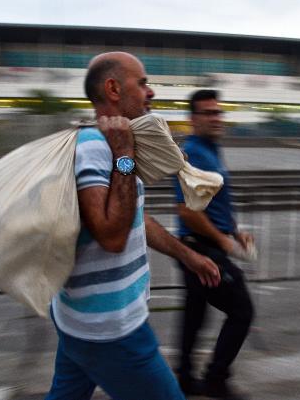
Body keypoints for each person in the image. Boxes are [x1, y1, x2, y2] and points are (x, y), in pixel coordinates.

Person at [45, 52, 221, 400]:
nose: (150, 91)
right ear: (113, 88)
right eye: (141, 83)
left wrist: (187, 255)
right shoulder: (96, 148)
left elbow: (134, 218)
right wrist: (124, 155)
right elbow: (112, 236)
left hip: (81, 318)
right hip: (109, 328)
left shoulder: (109, 144)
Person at [174, 90, 255, 400]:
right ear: (193, 119)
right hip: (200, 248)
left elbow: (216, 203)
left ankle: (183, 379)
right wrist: (222, 239)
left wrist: (235, 232)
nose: (216, 118)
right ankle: (215, 380)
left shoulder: (212, 150)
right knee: (242, 309)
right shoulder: (192, 153)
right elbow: (186, 211)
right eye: (208, 113)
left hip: (205, 243)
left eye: (218, 112)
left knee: (195, 314)